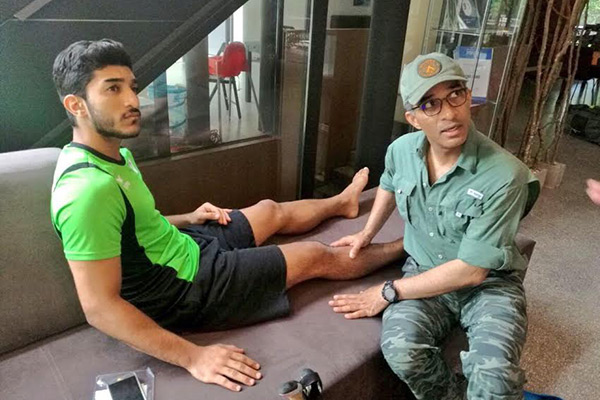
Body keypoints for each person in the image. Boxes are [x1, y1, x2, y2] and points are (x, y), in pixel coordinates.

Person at [50, 39, 404, 392]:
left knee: (269, 210)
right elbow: (98, 307)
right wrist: (193, 357)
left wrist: (189, 217)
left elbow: (135, 227)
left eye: (132, 86)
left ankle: (342, 202)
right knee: (314, 255)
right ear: (75, 104)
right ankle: (405, 246)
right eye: (113, 89)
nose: (132, 100)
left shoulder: (114, 156)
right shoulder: (86, 191)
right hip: (181, 290)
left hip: (184, 245)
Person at [328, 53, 540, 400]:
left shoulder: (506, 175)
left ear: (469, 97)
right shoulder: (401, 150)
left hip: (490, 284)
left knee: (495, 379)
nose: (449, 113)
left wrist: (388, 291)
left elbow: (472, 271)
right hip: (424, 269)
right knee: (401, 349)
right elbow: (389, 184)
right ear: (413, 118)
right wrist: (367, 233)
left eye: (455, 94)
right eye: (430, 104)